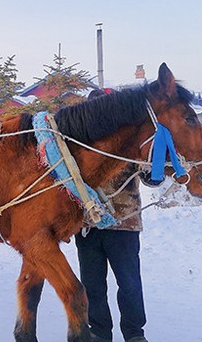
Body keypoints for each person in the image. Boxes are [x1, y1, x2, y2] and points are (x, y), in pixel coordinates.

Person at [75, 89, 149, 342]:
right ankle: (99, 333)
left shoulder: (128, 141)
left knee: (129, 284)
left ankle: (134, 334)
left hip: (124, 222)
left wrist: (154, 168)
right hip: (88, 225)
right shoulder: (77, 143)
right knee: (93, 286)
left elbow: (149, 175)